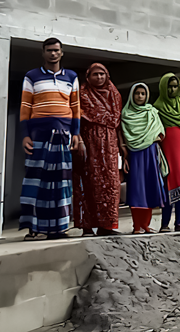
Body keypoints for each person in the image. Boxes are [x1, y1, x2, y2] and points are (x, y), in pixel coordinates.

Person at [19, 38, 81, 241]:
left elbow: (75, 107)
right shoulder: (32, 76)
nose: (53, 54)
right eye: (49, 50)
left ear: (61, 53)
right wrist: (25, 135)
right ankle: (34, 229)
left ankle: (59, 228)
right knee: (36, 181)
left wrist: (76, 133)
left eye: (56, 50)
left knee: (61, 183)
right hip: (39, 135)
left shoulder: (71, 77)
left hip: (63, 135)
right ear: (43, 53)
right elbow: (25, 106)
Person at [72, 63, 123, 237]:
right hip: (89, 143)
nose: (99, 77)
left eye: (102, 74)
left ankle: (106, 227)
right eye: (95, 74)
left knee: (110, 185)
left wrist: (121, 147)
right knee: (88, 183)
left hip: (109, 146)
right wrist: (78, 139)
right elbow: (75, 119)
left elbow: (117, 123)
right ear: (88, 77)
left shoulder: (114, 95)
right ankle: (87, 227)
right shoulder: (82, 95)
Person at [120, 83, 166, 234]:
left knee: (149, 188)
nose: (140, 96)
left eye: (143, 94)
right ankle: (137, 226)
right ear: (132, 96)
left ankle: (146, 225)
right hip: (135, 155)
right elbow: (124, 135)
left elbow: (160, 132)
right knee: (137, 189)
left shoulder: (152, 112)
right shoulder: (126, 114)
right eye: (137, 93)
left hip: (150, 153)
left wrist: (153, 138)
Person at [153, 73, 180, 232]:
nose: (172, 89)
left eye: (175, 86)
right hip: (166, 147)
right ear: (164, 87)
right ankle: (164, 224)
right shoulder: (157, 107)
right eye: (169, 86)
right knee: (168, 185)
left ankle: (179, 223)